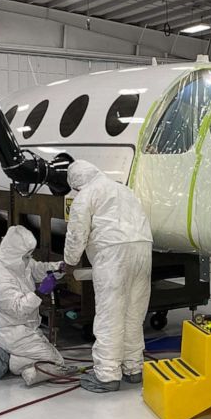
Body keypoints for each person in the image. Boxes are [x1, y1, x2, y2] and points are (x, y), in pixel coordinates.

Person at [64, 160, 153, 393]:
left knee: (110, 314)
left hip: (113, 253)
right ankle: (134, 369)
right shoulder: (124, 189)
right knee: (134, 313)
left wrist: (69, 262)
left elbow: (76, 234)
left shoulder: (86, 196)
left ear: (76, 183)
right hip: (143, 250)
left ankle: (107, 375)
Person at [0, 225, 75, 386]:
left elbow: (38, 268)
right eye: (26, 256)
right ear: (14, 254)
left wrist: (58, 268)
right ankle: (17, 365)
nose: (29, 259)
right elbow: (18, 310)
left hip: (27, 329)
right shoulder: (0, 278)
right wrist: (40, 292)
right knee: (56, 363)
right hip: (13, 333)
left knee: (50, 357)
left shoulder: (20, 264)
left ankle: (8, 358)